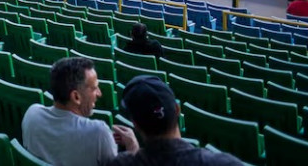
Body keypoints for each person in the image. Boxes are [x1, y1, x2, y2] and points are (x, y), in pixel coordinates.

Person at [22, 57, 138, 165]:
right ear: (76, 97)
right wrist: (133, 148)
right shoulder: (99, 132)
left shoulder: (31, 114)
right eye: (94, 88)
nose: (99, 93)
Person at [109, 76, 243, 166]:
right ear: (177, 110)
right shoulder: (222, 163)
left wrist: (133, 150)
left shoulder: (121, 163)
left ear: (135, 124)